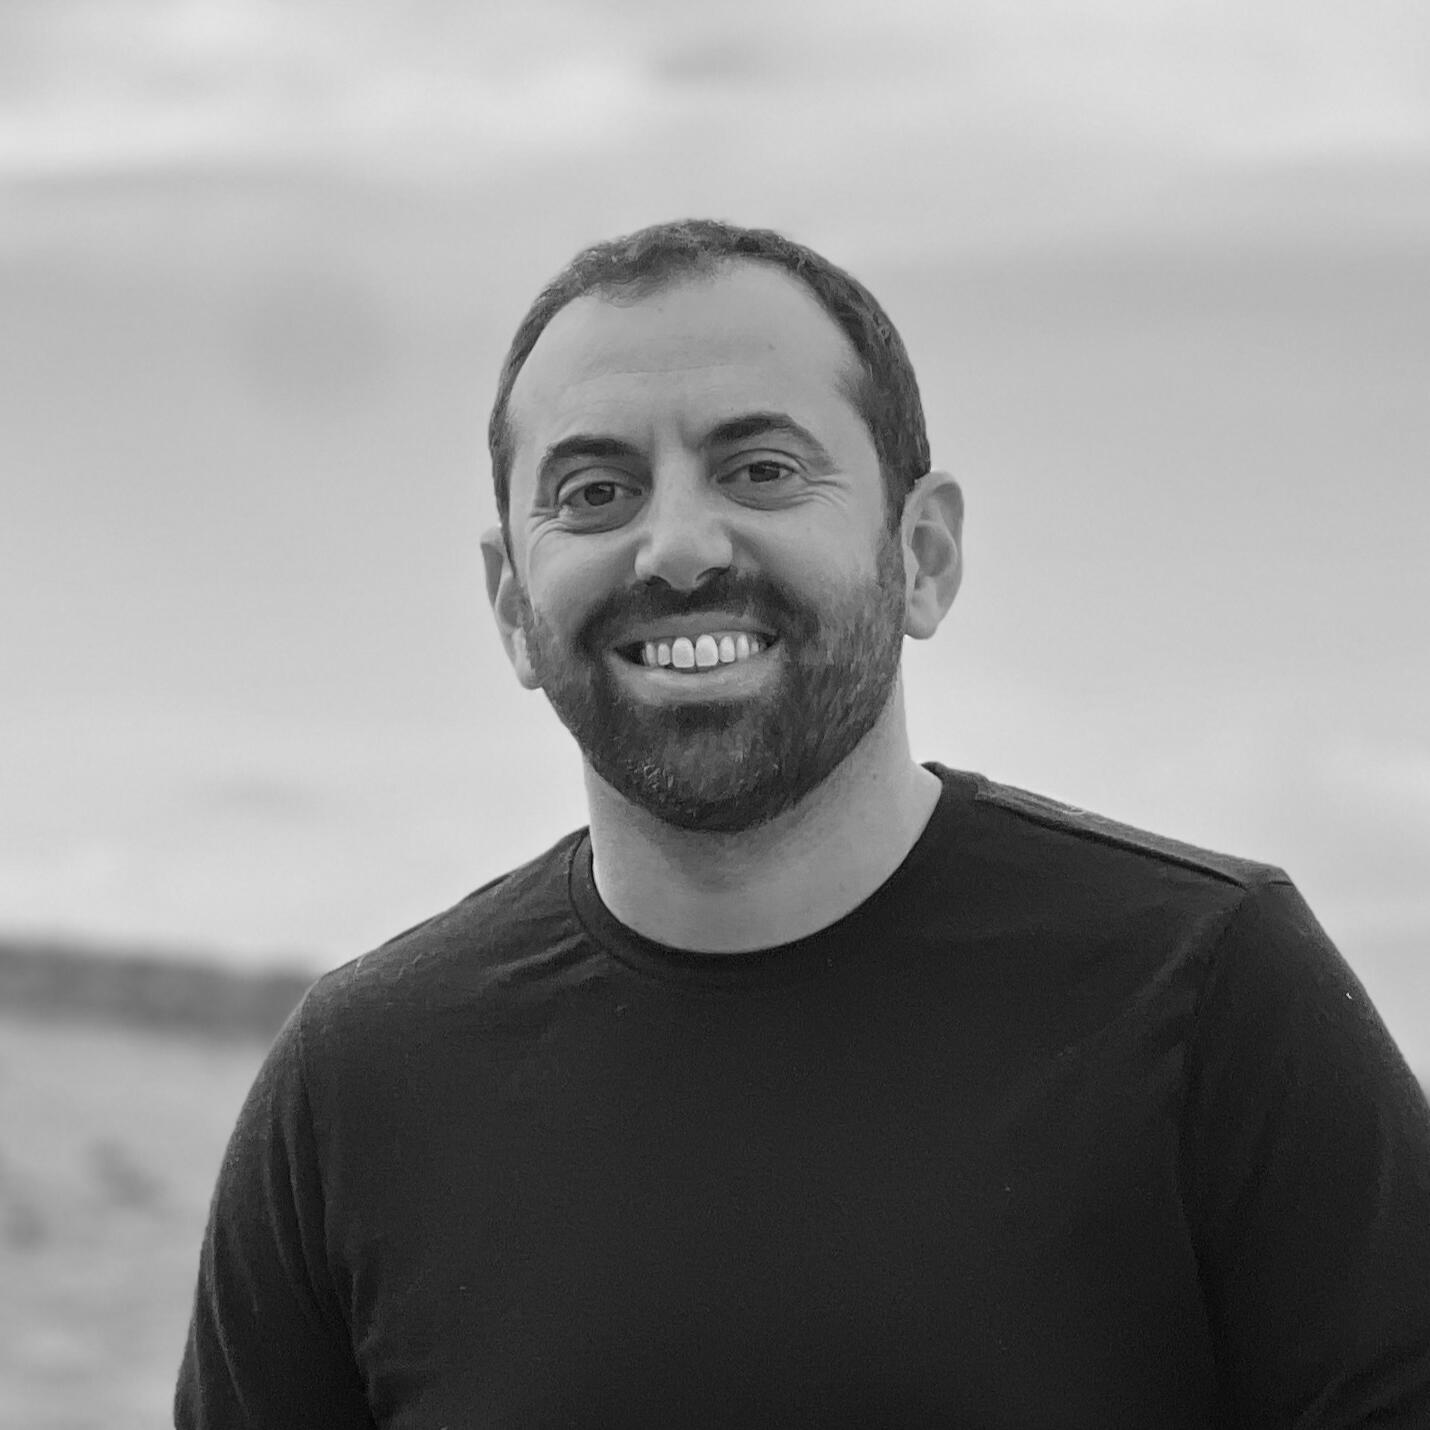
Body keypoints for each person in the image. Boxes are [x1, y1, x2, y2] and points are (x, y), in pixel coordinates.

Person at [175, 218, 1430, 1428]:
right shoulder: (356, 1085)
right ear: (511, 602)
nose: (675, 547)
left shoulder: (1210, 996)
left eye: (761, 470)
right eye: (595, 491)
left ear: (921, 553)